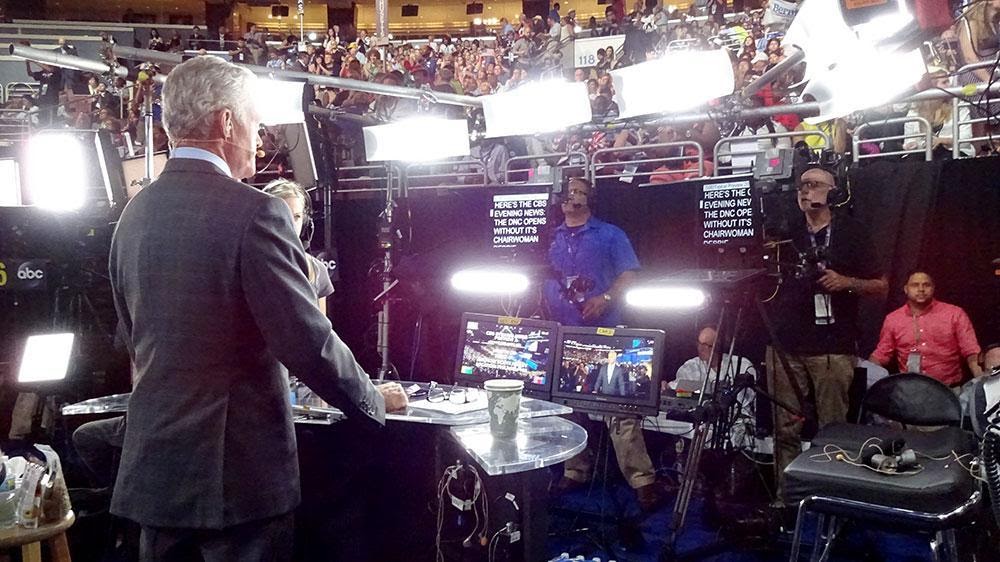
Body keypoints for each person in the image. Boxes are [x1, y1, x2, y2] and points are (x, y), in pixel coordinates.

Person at [108, 55, 407, 561]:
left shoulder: (132, 216)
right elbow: (307, 342)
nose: (260, 134)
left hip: (157, 476)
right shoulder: (255, 212)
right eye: (254, 120)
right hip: (236, 482)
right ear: (227, 121)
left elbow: (132, 338)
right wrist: (374, 401)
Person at [766, 165, 887, 501]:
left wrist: (847, 282)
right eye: (802, 185)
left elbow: (880, 285)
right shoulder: (786, 232)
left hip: (832, 345)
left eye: (814, 184)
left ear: (832, 192)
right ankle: (787, 498)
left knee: (832, 429)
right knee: (784, 427)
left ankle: (832, 499)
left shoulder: (852, 232)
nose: (806, 191)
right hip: (785, 343)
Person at [545, 178, 665, 512]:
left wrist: (606, 297)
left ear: (590, 199)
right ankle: (575, 469)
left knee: (619, 410)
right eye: (566, 191)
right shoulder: (550, 237)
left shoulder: (610, 234)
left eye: (578, 191)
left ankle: (643, 481)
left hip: (609, 332)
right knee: (569, 408)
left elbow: (629, 274)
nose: (570, 196)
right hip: (563, 332)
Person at [870, 270, 982, 387]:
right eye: (915, 285)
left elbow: (971, 351)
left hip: (949, 390)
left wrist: (982, 382)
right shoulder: (893, 319)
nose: (921, 289)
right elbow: (882, 354)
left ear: (933, 288)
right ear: (906, 289)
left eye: (926, 285)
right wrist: (866, 376)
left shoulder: (954, 314)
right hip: (909, 391)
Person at [262, 179, 333, 314]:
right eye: (283, 215)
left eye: (297, 216)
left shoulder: (317, 269)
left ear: (306, 221)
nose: (291, 223)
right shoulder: (249, 264)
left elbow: (321, 331)